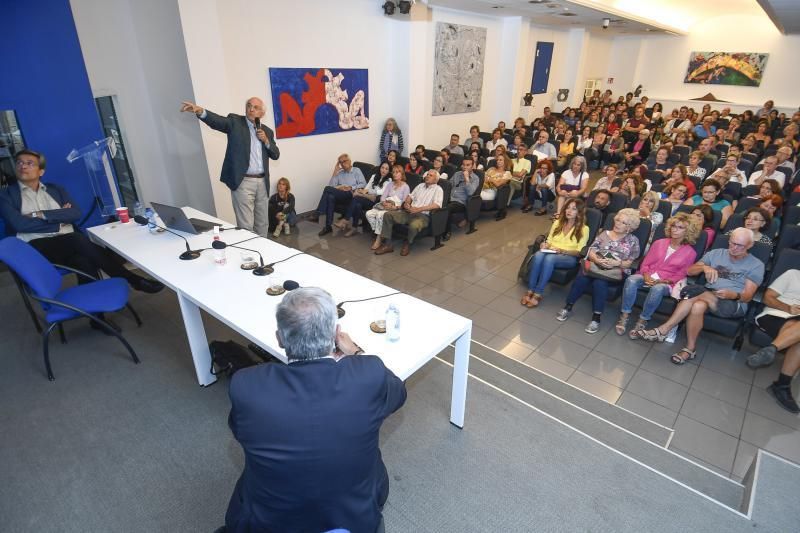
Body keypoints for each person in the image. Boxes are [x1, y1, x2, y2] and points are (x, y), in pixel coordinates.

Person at [224, 287, 406, 532]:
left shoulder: (246, 385)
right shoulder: (368, 375)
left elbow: (238, 430)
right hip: (354, 518)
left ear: (279, 338)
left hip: (270, 523)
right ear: (336, 334)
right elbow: (399, 392)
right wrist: (355, 353)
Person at [0, 150, 164, 306]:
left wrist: (40, 214)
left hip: (68, 246)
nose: (23, 166)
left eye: (30, 163)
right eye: (19, 163)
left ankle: (97, 315)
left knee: (83, 261)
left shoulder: (56, 189)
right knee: (77, 239)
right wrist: (59, 220)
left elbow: (74, 213)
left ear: (41, 171)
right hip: (37, 247)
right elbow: (19, 224)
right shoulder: (6, 196)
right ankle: (131, 278)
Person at [634, 227, 764, 364]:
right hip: (706, 296)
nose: (734, 247)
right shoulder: (716, 254)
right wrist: (704, 267)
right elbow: (690, 271)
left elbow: (748, 296)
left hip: (733, 303)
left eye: (740, 245)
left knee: (694, 292)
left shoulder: (756, 265)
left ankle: (664, 329)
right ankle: (690, 349)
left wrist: (734, 295)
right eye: (732, 242)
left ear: (750, 245)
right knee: (697, 306)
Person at [180, 98, 279, 237]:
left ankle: (262, 251)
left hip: (262, 182)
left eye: (256, 107)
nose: (251, 109)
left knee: (263, 223)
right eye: (249, 106)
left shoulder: (267, 131)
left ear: (262, 113)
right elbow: (218, 122)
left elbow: (275, 155)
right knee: (246, 225)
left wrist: (266, 141)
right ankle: (248, 254)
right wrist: (200, 111)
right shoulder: (235, 122)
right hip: (243, 181)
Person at [556, 208, 641, 334]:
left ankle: (596, 318)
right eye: (617, 220)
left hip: (615, 271)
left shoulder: (633, 240)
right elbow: (590, 250)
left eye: (622, 222)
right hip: (596, 265)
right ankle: (568, 306)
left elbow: (631, 261)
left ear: (630, 227)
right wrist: (596, 259)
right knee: (582, 277)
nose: (617, 223)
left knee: (599, 283)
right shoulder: (604, 234)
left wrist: (617, 263)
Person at [616, 213, 699, 337]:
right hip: (648, 275)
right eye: (674, 226)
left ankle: (643, 320)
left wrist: (663, 281)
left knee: (657, 288)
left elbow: (681, 274)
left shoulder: (690, 252)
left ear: (688, 231)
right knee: (631, 280)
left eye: (680, 227)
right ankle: (625, 315)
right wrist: (645, 275)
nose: (675, 229)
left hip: (667, 283)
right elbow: (645, 263)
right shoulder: (659, 243)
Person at [745, 268, 800, 413]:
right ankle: (781, 386)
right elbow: (767, 297)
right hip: (775, 315)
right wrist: (789, 308)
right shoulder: (792, 274)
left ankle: (771, 349)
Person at [520, 198, 589, 308]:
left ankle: (538, 293)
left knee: (549, 259)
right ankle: (530, 289)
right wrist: (545, 245)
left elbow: (580, 252)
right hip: (552, 251)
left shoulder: (584, 229)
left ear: (579, 212)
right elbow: (549, 240)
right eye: (567, 208)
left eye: (573, 209)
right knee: (538, 255)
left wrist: (562, 251)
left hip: (569, 256)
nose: (569, 211)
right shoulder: (557, 222)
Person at [374, 169, 443, 257]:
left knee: (414, 225)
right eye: (427, 174)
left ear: (436, 179)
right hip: (409, 212)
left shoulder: (438, 189)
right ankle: (388, 245)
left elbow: (437, 205)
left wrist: (419, 209)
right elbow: (410, 196)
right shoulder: (420, 186)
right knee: (388, 215)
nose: (427, 176)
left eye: (430, 175)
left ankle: (408, 243)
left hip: (423, 216)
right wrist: (406, 203)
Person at [337, 162, 395, 238]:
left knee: (356, 198)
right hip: (367, 197)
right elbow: (367, 188)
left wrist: (366, 192)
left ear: (389, 171)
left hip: (376, 201)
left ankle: (346, 220)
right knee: (357, 204)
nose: (383, 170)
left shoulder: (389, 180)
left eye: (386, 169)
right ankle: (354, 228)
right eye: (382, 168)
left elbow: (381, 192)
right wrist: (364, 192)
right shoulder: (374, 176)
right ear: (380, 168)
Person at [314, 154, 366, 237]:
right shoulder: (340, 173)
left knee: (327, 189)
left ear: (349, 161)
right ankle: (328, 227)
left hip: (351, 194)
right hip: (341, 194)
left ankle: (318, 214)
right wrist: (335, 172)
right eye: (341, 162)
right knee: (330, 196)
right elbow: (331, 186)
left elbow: (363, 183)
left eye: (344, 161)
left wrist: (350, 187)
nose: (343, 164)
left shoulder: (356, 170)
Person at [365, 166, 410, 250]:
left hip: (397, 209)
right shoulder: (390, 184)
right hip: (385, 206)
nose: (395, 174)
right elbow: (383, 197)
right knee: (369, 214)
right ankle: (381, 233)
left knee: (379, 215)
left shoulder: (405, 187)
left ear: (402, 174)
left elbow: (404, 203)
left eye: (397, 172)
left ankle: (378, 239)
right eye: (393, 172)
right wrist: (384, 202)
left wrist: (394, 207)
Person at [443, 158, 479, 241]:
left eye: (468, 165)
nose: (465, 167)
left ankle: (446, 232)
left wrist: (467, 178)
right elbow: (449, 185)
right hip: (449, 198)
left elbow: (470, 193)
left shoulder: (475, 178)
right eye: (464, 165)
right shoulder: (457, 174)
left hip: (461, 202)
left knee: (447, 208)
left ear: (472, 166)